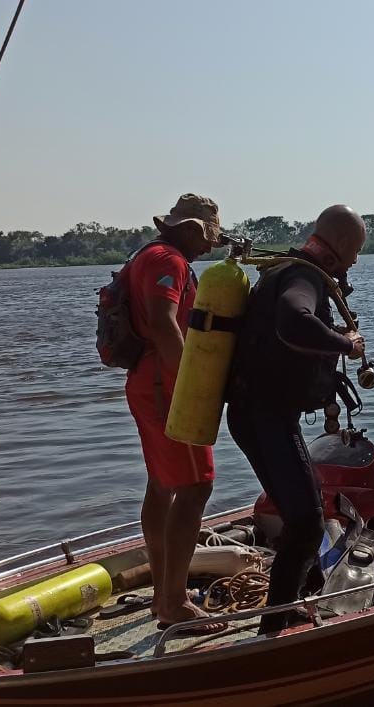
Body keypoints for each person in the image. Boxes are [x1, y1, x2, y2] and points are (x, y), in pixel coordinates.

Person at [227, 204, 367, 633]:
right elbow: (293, 321)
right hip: (266, 416)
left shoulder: (284, 269)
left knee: (299, 512)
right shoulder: (303, 276)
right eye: (356, 249)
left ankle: (303, 595)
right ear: (341, 243)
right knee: (307, 522)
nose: (356, 260)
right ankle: (274, 631)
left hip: (253, 415)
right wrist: (347, 345)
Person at [126, 193, 225, 632]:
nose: (207, 247)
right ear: (189, 229)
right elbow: (164, 321)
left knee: (161, 485)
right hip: (166, 386)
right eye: (206, 237)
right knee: (195, 488)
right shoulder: (170, 260)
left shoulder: (147, 254)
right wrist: (193, 388)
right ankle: (173, 603)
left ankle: (162, 595)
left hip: (146, 379)